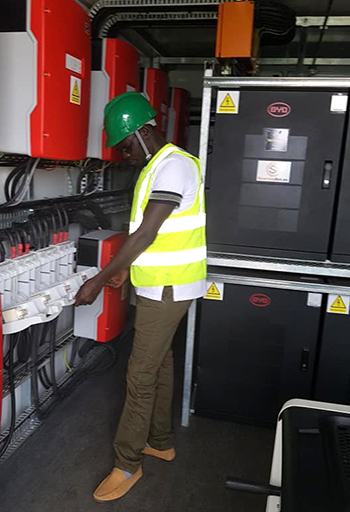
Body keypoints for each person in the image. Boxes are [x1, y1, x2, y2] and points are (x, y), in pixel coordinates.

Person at [75, 91, 207, 502]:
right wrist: (127, 272)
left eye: (127, 144)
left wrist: (101, 278)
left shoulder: (174, 166)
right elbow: (153, 240)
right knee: (160, 364)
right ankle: (160, 440)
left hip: (169, 287)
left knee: (139, 376)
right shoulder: (158, 167)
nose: (124, 154)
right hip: (160, 284)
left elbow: (147, 233)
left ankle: (127, 464)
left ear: (144, 130)